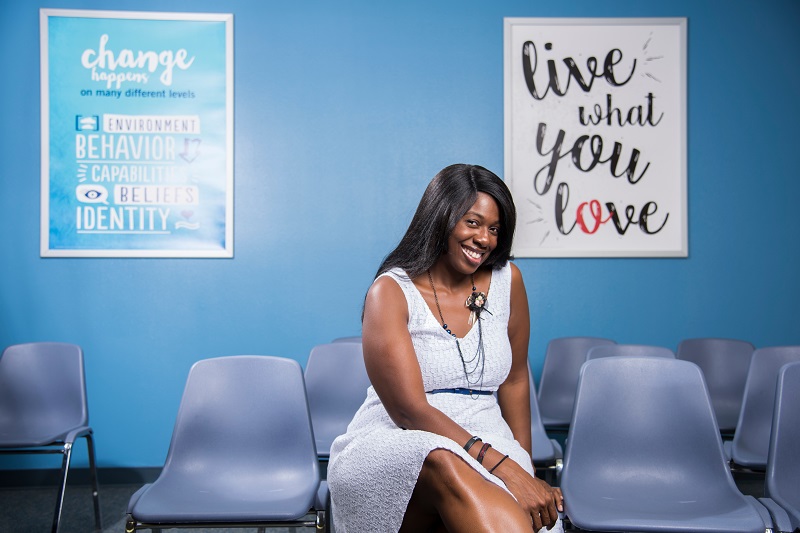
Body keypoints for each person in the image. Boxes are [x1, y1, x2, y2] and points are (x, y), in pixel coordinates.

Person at [327, 164, 564, 532]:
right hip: (398, 439)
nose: (484, 239)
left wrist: (523, 465)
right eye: (472, 222)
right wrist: (502, 465)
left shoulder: (508, 282)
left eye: (494, 229)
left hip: (489, 433)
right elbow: (409, 411)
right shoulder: (390, 292)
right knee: (443, 459)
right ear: (441, 218)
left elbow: (516, 381)